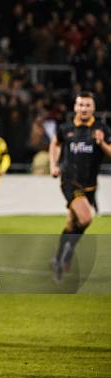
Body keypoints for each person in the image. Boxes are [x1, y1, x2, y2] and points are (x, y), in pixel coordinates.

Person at [49, 92, 111, 281]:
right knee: (85, 219)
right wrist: (53, 164)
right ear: (75, 108)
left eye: (87, 105)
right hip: (70, 181)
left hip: (90, 185)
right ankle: (67, 255)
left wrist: (102, 144)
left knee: (71, 223)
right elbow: (55, 143)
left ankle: (59, 258)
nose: (84, 109)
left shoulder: (101, 129)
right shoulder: (66, 128)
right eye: (81, 105)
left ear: (93, 108)